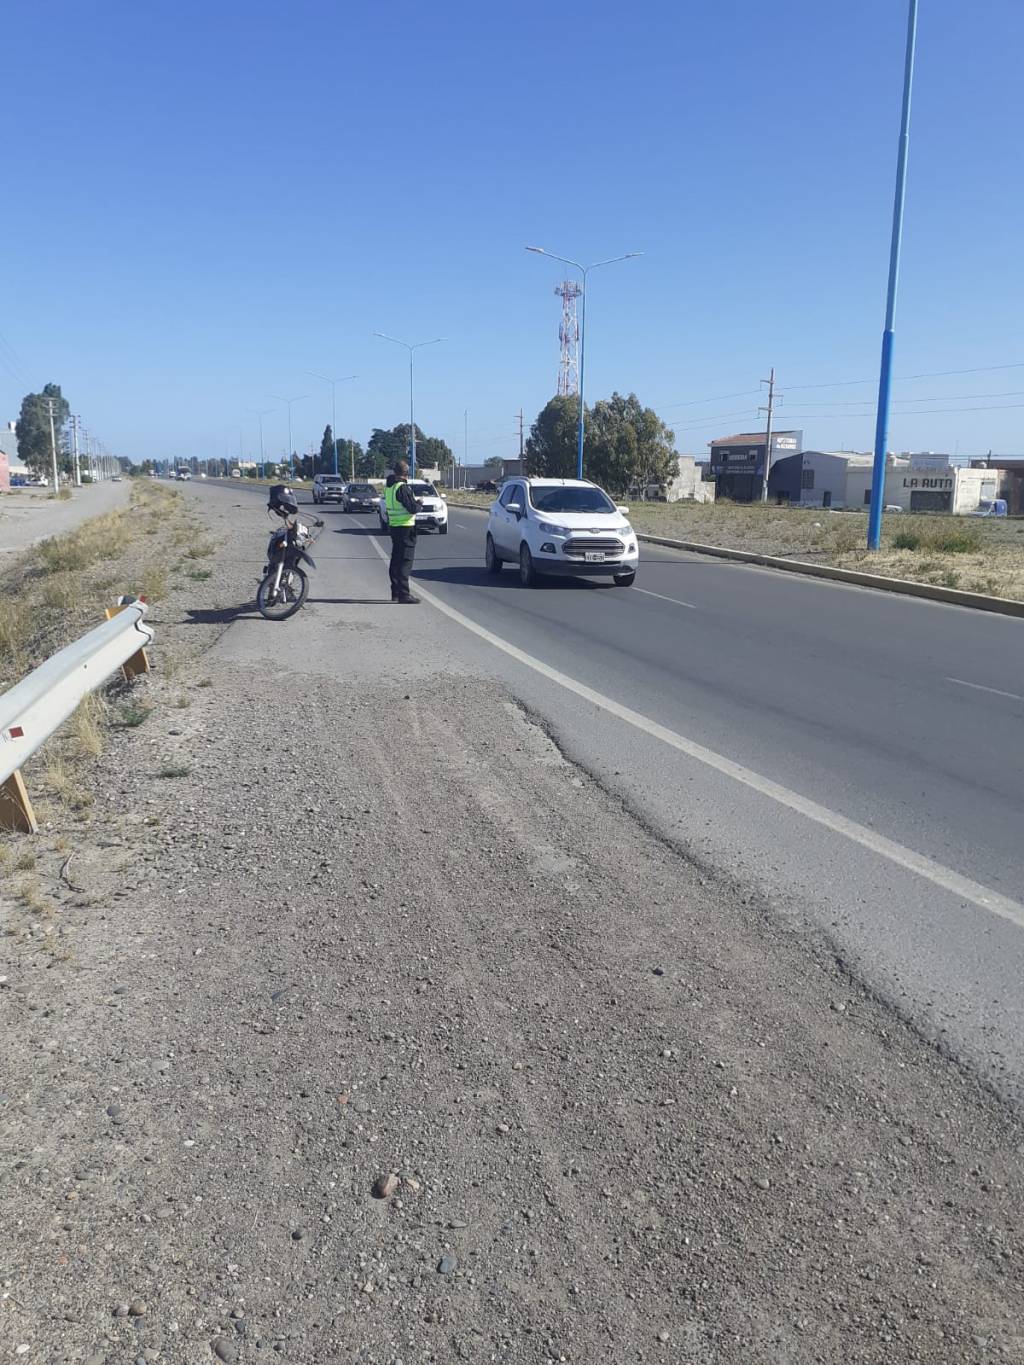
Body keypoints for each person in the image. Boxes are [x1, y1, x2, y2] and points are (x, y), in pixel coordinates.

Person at [384, 459, 421, 603]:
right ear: (406, 473)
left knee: (396, 561)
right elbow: (412, 508)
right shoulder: (402, 488)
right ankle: (404, 594)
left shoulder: (389, 488)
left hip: (394, 527)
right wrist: (419, 504)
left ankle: (395, 592)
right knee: (405, 562)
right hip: (406, 528)